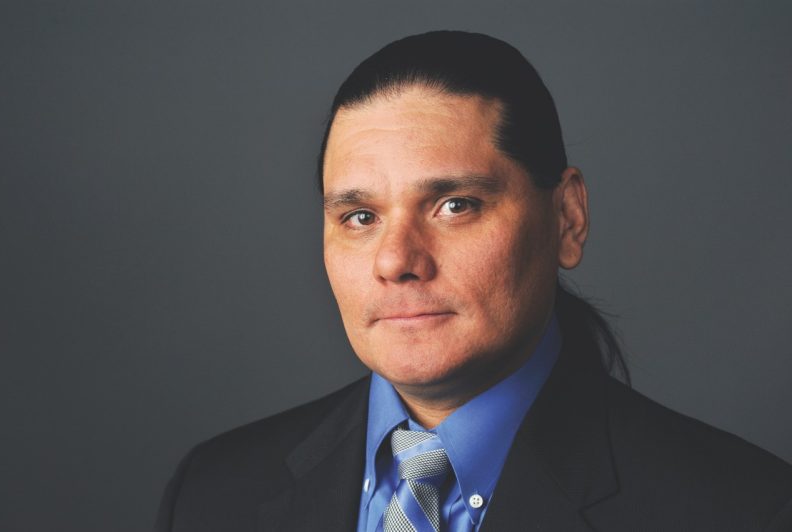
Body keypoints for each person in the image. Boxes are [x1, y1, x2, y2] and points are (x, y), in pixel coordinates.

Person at [154, 31, 792, 531]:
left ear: (567, 218)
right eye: (360, 216)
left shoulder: (743, 511)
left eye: (455, 205)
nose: (396, 259)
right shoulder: (214, 494)